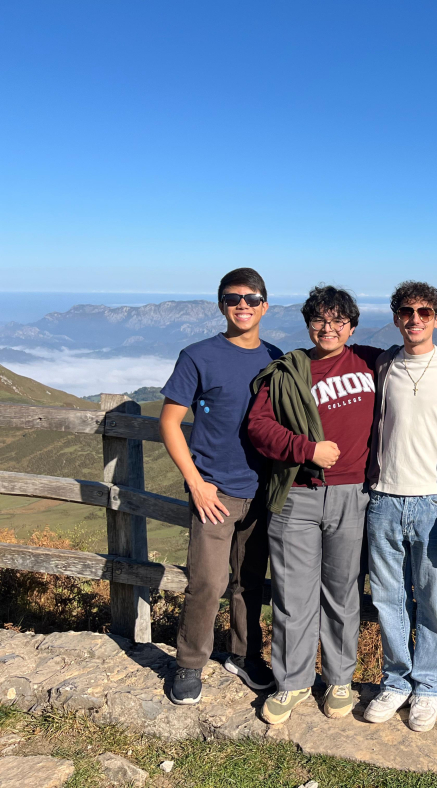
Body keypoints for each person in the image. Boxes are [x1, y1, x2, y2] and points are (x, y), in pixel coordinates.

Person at [247, 284, 437, 726]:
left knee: (345, 595)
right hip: (305, 495)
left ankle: (340, 680)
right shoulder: (291, 371)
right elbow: (258, 426)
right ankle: (292, 682)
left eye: (338, 321)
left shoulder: (372, 360)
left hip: (358, 496)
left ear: (351, 326)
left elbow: (424, 353)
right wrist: (304, 449)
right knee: (295, 596)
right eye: (319, 321)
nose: (328, 329)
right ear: (308, 324)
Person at [159, 268, 283, 706]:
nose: (243, 305)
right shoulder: (197, 355)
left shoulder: (275, 356)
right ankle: (189, 664)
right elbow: (169, 421)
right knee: (207, 583)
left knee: (250, 582)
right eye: (233, 298)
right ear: (221, 305)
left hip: (263, 491)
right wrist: (196, 483)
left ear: (265, 305)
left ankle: (244, 655)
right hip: (214, 492)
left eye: (251, 298)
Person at [363, 281, 437, 733]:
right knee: (388, 599)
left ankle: (428, 687)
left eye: (425, 312)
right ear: (396, 317)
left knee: (433, 600)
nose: (415, 319)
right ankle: (396, 681)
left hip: (432, 501)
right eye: (407, 311)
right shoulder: (382, 364)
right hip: (384, 499)